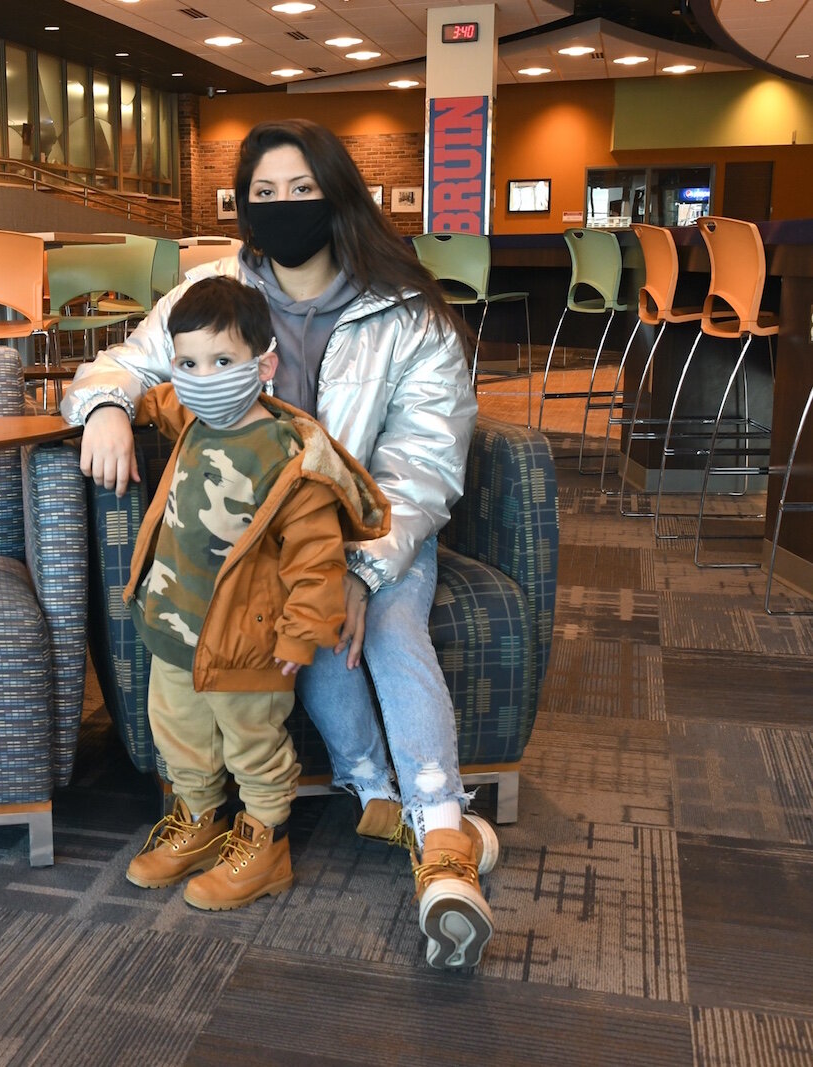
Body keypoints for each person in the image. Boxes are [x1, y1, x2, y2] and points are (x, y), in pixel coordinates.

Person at [62, 118, 500, 968]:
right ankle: (376, 799)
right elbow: (125, 362)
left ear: (338, 193)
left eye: (302, 189)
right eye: (265, 193)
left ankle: (443, 841)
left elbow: (424, 465)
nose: (284, 206)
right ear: (244, 205)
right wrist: (108, 407)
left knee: (391, 631)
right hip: (251, 547)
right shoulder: (217, 284)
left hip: (368, 526)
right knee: (312, 652)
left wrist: (365, 572)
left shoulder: (406, 311)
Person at [121, 276, 389, 911]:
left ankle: (265, 844)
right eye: (188, 362)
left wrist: (301, 633)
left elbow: (316, 560)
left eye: (222, 362)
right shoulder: (189, 413)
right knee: (179, 734)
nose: (202, 376)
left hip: (250, 645)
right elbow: (145, 396)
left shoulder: (292, 457)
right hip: (174, 629)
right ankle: (199, 822)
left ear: (263, 364)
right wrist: (107, 406)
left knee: (254, 744)